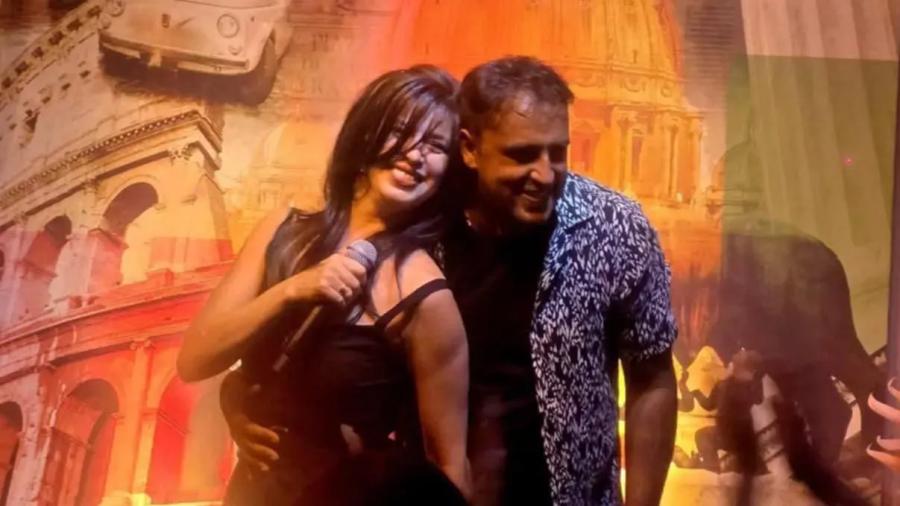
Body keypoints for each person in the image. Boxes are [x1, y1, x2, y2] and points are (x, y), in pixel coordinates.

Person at [223, 56, 678, 506]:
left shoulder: (613, 226)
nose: (544, 174)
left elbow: (652, 377)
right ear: (469, 148)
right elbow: (327, 345)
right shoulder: (414, 218)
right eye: (521, 155)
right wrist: (242, 397)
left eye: (557, 152)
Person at [176, 65, 471, 505]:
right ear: (367, 133)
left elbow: (449, 470)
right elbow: (195, 360)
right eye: (401, 131)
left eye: (435, 146)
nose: (415, 154)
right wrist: (291, 290)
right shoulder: (283, 230)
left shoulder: (425, 293)